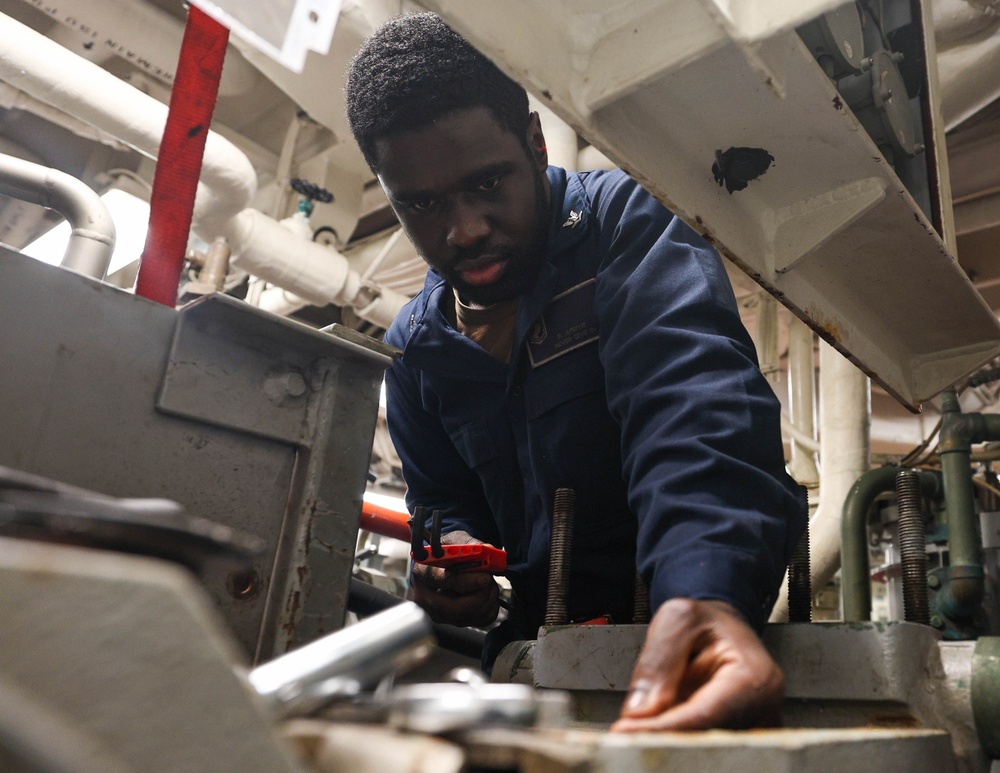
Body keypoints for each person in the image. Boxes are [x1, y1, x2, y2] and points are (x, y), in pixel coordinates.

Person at [345, 12, 807, 731]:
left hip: (684, 620)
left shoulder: (628, 223)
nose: (463, 228)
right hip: (538, 652)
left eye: (487, 182)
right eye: (423, 205)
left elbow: (692, 413)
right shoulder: (415, 352)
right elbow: (446, 505)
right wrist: (456, 578)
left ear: (534, 140)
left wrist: (704, 595)